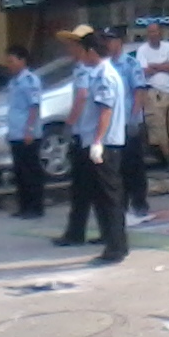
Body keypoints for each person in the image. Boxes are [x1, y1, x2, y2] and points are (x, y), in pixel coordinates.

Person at [55, 33, 128, 265]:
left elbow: (105, 110)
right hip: (96, 142)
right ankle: (112, 243)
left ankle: (116, 247)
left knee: (110, 197)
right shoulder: (98, 73)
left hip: (105, 144)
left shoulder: (105, 75)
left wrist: (97, 141)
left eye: (84, 51)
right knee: (101, 196)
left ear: (92, 52)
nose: (81, 56)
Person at [105, 28, 152, 223]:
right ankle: (121, 205)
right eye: (106, 40)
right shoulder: (105, 65)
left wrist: (134, 118)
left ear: (120, 42)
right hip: (112, 125)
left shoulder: (131, 64)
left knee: (134, 167)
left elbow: (139, 92)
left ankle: (140, 203)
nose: (108, 44)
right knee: (117, 168)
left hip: (129, 122)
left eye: (111, 40)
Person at [55, 23, 96, 240]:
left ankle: (76, 232)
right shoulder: (89, 68)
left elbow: (81, 97)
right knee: (89, 188)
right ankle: (85, 231)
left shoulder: (84, 69)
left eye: (72, 45)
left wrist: (69, 124)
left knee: (83, 187)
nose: (69, 49)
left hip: (85, 135)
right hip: (89, 135)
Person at [136, 22, 169, 170]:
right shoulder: (142, 50)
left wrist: (155, 66)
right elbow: (144, 71)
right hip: (153, 93)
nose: (153, 34)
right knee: (160, 132)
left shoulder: (168, 47)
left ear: (161, 32)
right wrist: (164, 66)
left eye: (156, 31)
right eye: (150, 32)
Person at [5, 45, 46, 218]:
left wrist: (29, 129)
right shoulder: (13, 82)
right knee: (20, 172)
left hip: (28, 133)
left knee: (31, 172)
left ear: (22, 61)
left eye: (11, 61)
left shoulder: (30, 81)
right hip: (15, 132)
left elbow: (33, 107)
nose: (9, 65)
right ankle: (24, 206)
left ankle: (35, 207)